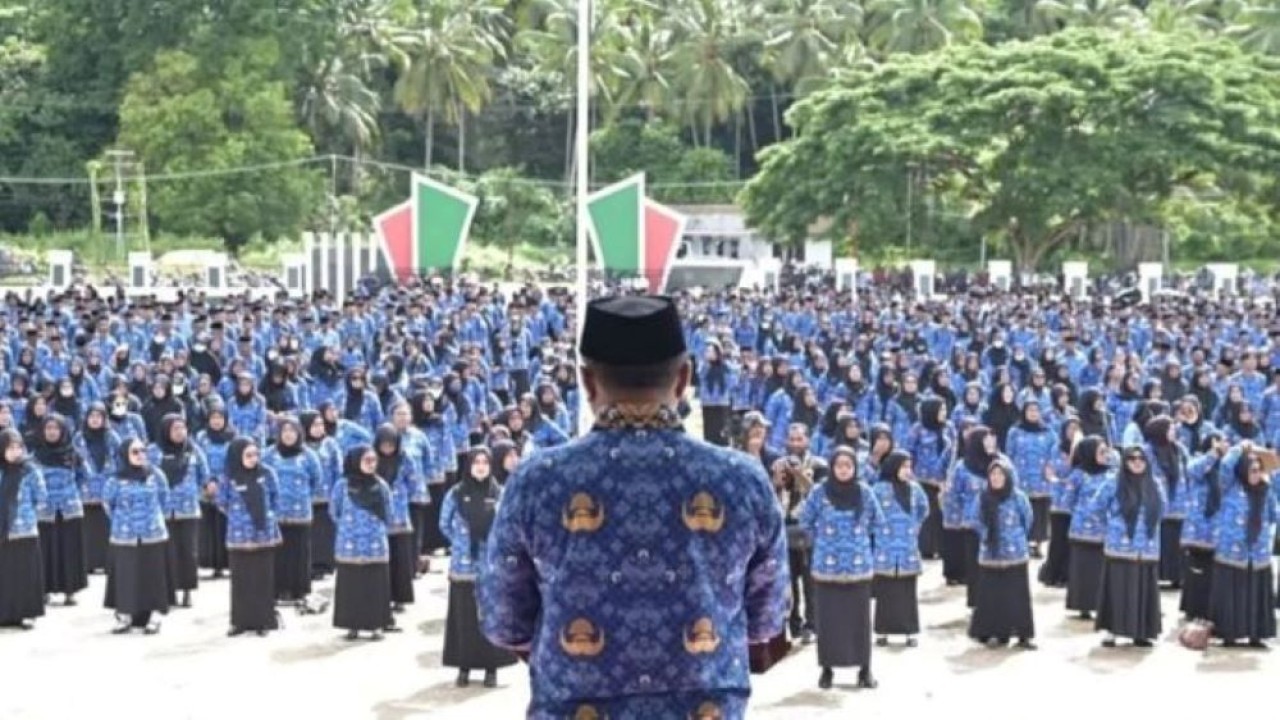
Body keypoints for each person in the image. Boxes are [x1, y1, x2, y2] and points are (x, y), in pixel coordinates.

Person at [481, 295, 789, 719]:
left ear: (587, 383)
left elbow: (504, 617)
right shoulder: (741, 478)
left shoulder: (538, 480)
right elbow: (767, 619)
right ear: (684, 379)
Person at [798, 445, 882, 690]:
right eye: (839, 465)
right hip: (827, 568)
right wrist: (823, 542)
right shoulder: (819, 492)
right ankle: (827, 669)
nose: (844, 470)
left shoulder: (865, 493)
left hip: (858, 569)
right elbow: (805, 521)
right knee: (828, 621)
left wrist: (863, 546)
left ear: (855, 467)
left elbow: (878, 523)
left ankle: (864, 669)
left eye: (848, 465)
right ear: (832, 467)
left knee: (859, 621)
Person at [440, 445, 516, 688]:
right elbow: (444, 523)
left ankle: (491, 669)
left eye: (485, 462)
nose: (481, 466)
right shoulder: (456, 493)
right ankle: (464, 667)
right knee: (464, 619)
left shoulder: (500, 493)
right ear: (469, 465)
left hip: (491, 568)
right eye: (476, 462)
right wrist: (462, 540)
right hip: (463, 569)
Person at [1092, 446, 1165, 648]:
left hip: (1146, 548)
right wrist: (1112, 528)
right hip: (1119, 548)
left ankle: (1141, 632)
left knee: (1143, 590)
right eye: (1131, 458)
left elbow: (1162, 509)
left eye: (1141, 458)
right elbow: (1096, 507)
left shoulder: (1155, 484)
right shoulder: (1113, 483)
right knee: (1117, 589)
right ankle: (1111, 631)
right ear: (1124, 461)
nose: (1137, 462)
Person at [1208, 445, 1277, 647]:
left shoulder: (1266, 491)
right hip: (1232, 550)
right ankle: (1230, 634)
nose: (1256, 475)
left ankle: (1256, 635)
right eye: (1252, 470)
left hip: (1258, 553)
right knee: (1232, 594)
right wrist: (1240, 448)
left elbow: (1273, 514)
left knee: (1256, 593)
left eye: (1259, 470)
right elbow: (1227, 466)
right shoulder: (1230, 487)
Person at [102, 438, 171, 634]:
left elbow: (164, 499)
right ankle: (125, 616)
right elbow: (108, 505)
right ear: (125, 455)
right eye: (135, 452)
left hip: (153, 534)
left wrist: (153, 519)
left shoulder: (156, 475)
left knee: (154, 576)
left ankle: (155, 617)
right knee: (126, 577)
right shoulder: (114, 480)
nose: (141, 455)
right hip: (125, 535)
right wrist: (124, 522)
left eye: (143, 451)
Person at [967, 460, 1036, 649]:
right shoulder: (982, 498)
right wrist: (988, 535)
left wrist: (1015, 537)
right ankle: (993, 632)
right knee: (992, 596)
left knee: (1017, 596)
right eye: (993, 475)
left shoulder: (1018, 497)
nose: (996, 478)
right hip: (991, 555)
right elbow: (974, 519)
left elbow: (1027, 519)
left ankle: (1022, 634)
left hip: (1016, 554)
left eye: (1000, 474)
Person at [216, 437, 282, 637]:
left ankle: (263, 621)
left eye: (256, 454)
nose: (254, 459)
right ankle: (240, 622)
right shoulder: (229, 478)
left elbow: (276, 498)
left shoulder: (266, 473)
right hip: (238, 536)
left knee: (262, 578)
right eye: (248, 455)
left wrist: (267, 516)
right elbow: (222, 502)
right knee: (241, 580)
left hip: (263, 535)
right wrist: (240, 517)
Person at [330, 445, 394, 641]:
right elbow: (334, 511)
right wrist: (350, 528)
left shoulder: (381, 485)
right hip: (349, 544)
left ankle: (376, 625)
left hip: (375, 544)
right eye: (366, 460)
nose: (370, 464)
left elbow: (389, 513)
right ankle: (352, 625)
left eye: (373, 460)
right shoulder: (343, 485)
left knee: (375, 584)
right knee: (351, 585)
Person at [262, 416, 324, 604]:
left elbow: (316, 479)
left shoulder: (308, 455)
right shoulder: (269, 455)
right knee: (278, 553)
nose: (288, 435)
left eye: (292, 431)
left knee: (299, 552)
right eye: (284, 431)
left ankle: (300, 590)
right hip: (276, 513)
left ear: (299, 433)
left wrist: (300, 495)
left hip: (300, 513)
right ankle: (278, 590)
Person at [30, 414, 89, 606]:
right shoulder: (35, 457)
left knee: (69, 551)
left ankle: (70, 591)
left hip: (69, 509)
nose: (52, 432)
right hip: (44, 511)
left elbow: (84, 476)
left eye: (56, 428)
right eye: (48, 428)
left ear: (63, 430)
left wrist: (71, 493)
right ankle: (44, 590)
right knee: (45, 551)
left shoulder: (73, 454)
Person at [870, 449, 927, 648]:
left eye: (909, 466)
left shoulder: (915, 489)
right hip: (885, 550)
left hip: (907, 550)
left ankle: (910, 631)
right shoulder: (878, 489)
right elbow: (869, 513)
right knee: (885, 593)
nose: (907, 471)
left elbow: (923, 508)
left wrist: (915, 526)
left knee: (907, 593)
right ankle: (883, 631)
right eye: (903, 466)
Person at [153, 415, 207, 608]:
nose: (179, 432)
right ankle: (168, 592)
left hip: (189, 509)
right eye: (175, 429)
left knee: (188, 552)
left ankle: (187, 591)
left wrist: (200, 490)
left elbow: (204, 476)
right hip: (164, 510)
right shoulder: (155, 451)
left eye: (182, 428)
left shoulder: (194, 451)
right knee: (167, 552)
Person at [0, 429, 47, 629]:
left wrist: (27, 515)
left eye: (18, 447)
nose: (15, 451)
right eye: (10, 447)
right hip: (3, 531)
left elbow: (42, 497)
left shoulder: (30, 469)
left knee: (26, 573)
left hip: (25, 529)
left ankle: (28, 613)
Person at [1064, 436, 1113, 620]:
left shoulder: (1111, 474)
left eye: (1105, 451)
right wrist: (1083, 513)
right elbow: (1068, 500)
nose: (1104, 455)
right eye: (1100, 451)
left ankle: (1100, 603)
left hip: (1105, 530)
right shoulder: (1078, 474)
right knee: (1082, 569)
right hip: (1081, 530)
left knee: (1100, 569)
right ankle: (1082, 604)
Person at [77, 403, 119, 575]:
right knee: (89, 530)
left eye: (98, 417)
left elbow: (120, 458)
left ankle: (108, 563)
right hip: (86, 491)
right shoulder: (79, 437)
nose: (95, 420)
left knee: (105, 527)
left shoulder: (112, 437)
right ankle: (89, 563)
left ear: (104, 419)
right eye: (91, 416)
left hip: (107, 489)